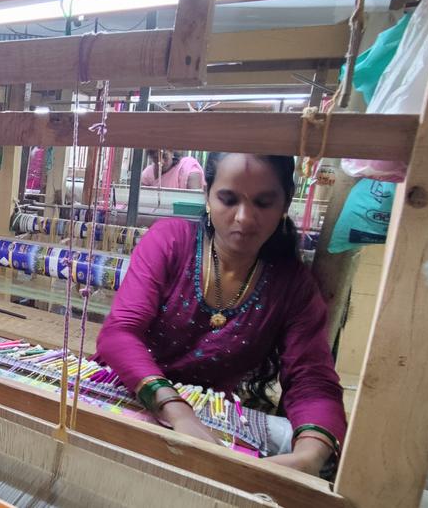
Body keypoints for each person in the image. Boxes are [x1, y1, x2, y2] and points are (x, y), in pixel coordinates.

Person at [95, 152, 345, 476]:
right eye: (228, 199)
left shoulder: (292, 286)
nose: (244, 217)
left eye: (263, 202)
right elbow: (119, 333)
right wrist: (175, 410)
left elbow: (312, 379)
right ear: (208, 195)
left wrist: (309, 457)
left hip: (210, 422)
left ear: (284, 206)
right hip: (124, 393)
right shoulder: (170, 241)